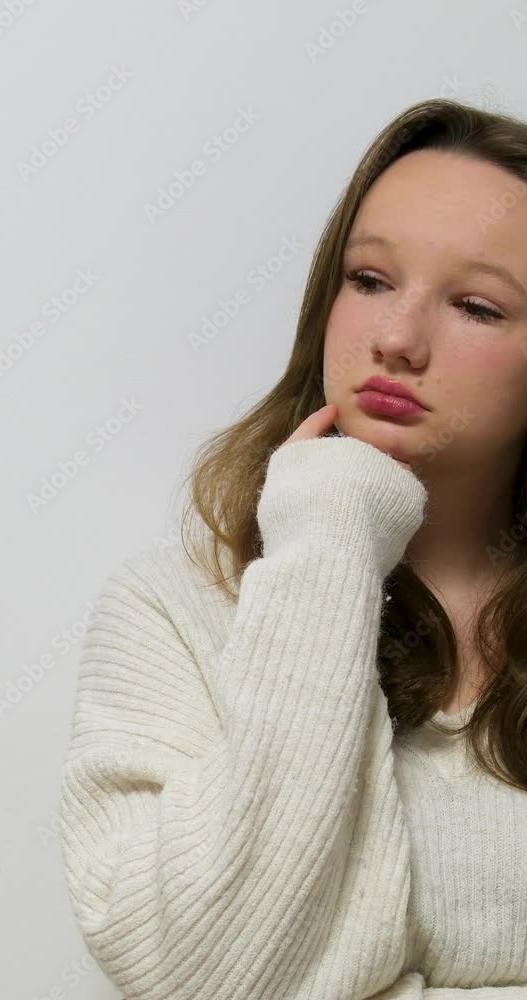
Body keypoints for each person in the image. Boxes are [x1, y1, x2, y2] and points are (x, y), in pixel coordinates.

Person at [59, 98, 527, 999]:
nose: (396, 339)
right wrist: (330, 536)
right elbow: (200, 978)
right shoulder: (171, 613)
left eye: (475, 305)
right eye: (369, 279)